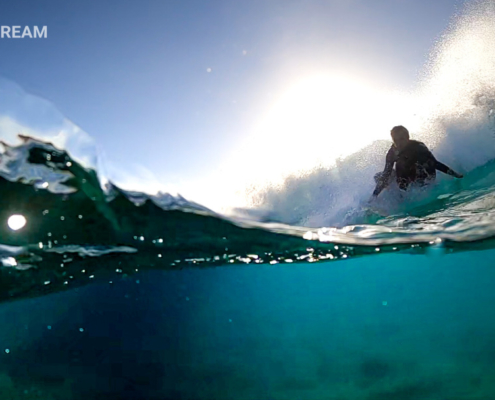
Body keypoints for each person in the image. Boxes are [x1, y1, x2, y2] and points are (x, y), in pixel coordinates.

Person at [372, 126, 463, 197]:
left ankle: (409, 192)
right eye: (396, 140)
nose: (399, 143)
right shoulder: (392, 152)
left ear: (408, 138)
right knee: (379, 176)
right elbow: (386, 174)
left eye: (401, 139)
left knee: (406, 163)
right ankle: (398, 193)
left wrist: (456, 175)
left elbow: (435, 164)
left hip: (424, 174)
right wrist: (374, 195)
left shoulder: (417, 147)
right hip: (408, 174)